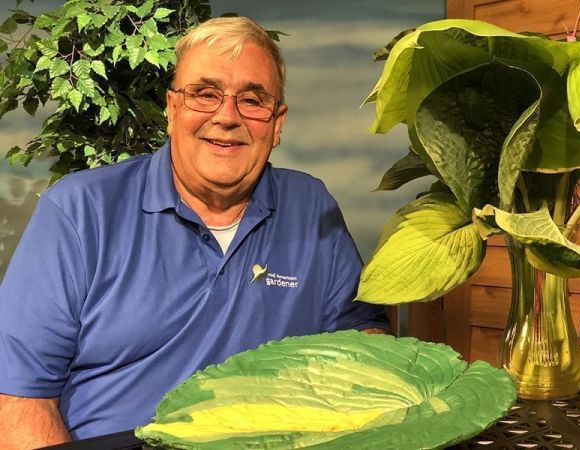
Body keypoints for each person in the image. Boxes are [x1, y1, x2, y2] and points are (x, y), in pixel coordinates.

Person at [0, 16, 391, 447]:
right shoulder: (80, 210)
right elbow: (18, 399)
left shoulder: (312, 206)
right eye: (204, 94)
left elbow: (363, 344)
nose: (227, 117)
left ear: (277, 123)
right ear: (172, 110)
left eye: (252, 100)